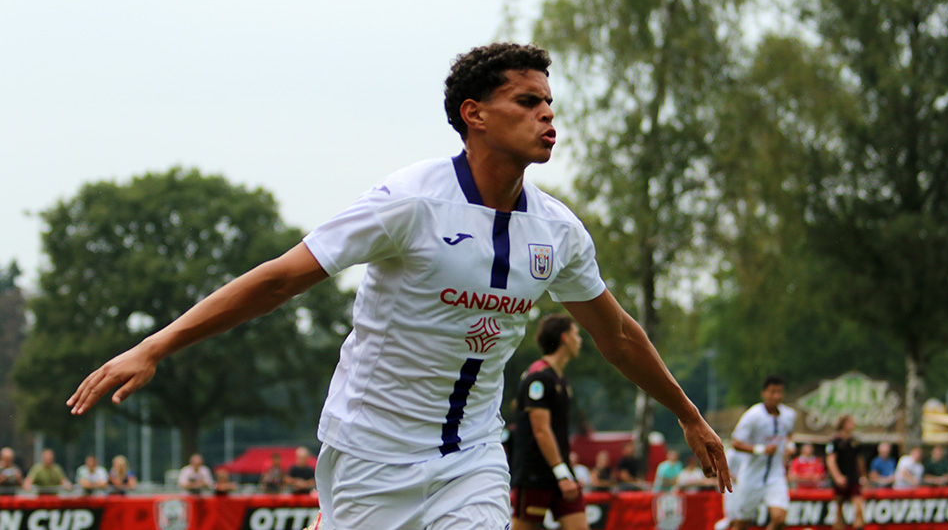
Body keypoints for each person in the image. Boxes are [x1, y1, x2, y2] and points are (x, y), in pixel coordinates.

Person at [66, 42, 731, 529]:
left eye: (550, 103)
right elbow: (278, 279)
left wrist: (687, 412)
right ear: (475, 113)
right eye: (527, 102)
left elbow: (615, 331)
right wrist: (155, 344)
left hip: (471, 458)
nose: (547, 117)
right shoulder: (409, 201)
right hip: (368, 455)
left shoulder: (557, 230)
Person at [510, 314, 586, 530]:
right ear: (564, 338)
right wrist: (561, 473)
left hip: (561, 471)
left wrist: (564, 470)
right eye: (576, 334)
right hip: (536, 473)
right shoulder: (538, 377)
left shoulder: (560, 378)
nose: (579, 340)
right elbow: (541, 430)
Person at [728, 374, 797, 530]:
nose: (776, 396)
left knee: (779, 518)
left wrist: (789, 445)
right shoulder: (753, 415)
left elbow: (789, 433)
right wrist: (761, 449)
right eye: (773, 392)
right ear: (764, 393)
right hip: (752, 476)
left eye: (780, 392)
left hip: (775, 475)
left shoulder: (789, 415)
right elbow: (735, 443)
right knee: (742, 523)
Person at [825, 414, 866, 530]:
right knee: (839, 510)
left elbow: (860, 460)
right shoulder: (834, 441)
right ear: (844, 424)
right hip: (841, 479)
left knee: (859, 507)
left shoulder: (855, 441)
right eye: (851, 422)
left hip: (853, 478)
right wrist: (837, 477)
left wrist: (863, 475)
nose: (853, 425)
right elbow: (830, 460)